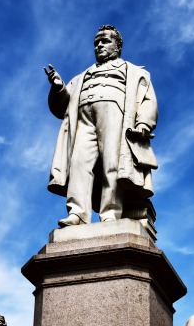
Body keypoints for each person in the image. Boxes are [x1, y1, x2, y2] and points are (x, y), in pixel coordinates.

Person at [45, 24, 158, 227]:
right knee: (79, 162)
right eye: (96, 42)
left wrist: (143, 123)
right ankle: (78, 213)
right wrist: (59, 88)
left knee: (112, 163)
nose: (99, 45)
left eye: (105, 41)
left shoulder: (133, 72)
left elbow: (147, 100)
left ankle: (110, 213)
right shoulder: (81, 77)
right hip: (83, 119)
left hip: (116, 114)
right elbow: (61, 105)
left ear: (117, 47)